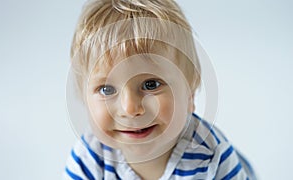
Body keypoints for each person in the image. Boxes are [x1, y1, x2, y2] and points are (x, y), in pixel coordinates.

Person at [64, 0, 256, 179]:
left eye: (151, 84)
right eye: (106, 89)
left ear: (190, 93)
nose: (130, 108)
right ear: (84, 98)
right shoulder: (89, 157)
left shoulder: (211, 157)